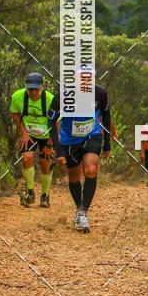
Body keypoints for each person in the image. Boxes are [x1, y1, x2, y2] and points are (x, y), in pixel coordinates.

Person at [49, 69, 111, 233]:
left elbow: (106, 115)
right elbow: (51, 121)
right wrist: (59, 150)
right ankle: (80, 210)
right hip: (69, 140)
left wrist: (107, 144)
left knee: (91, 168)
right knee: (74, 175)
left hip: (93, 135)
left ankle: (83, 212)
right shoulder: (63, 95)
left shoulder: (100, 93)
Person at [10, 73, 57, 208]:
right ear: (26, 88)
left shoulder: (50, 99)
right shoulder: (17, 96)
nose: (34, 92)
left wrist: (50, 143)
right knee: (26, 158)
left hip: (46, 135)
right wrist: (23, 133)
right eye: (31, 89)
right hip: (29, 134)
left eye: (37, 89)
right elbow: (15, 113)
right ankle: (30, 192)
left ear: (42, 87)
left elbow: (57, 122)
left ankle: (45, 195)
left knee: (45, 163)